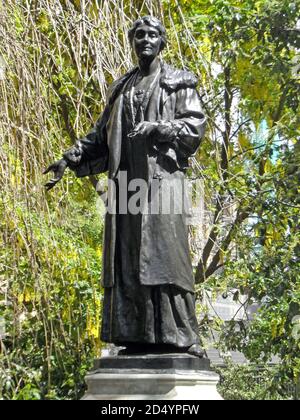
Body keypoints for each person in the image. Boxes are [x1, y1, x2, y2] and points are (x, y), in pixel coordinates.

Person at [44, 16, 206, 357]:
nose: (145, 40)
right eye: (139, 35)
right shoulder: (122, 88)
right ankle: (137, 335)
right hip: (126, 187)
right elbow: (100, 137)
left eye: (152, 35)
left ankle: (182, 337)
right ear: (132, 41)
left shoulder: (178, 83)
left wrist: (158, 128)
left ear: (162, 41)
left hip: (162, 187)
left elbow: (194, 128)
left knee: (165, 259)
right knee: (129, 260)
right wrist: (69, 158)